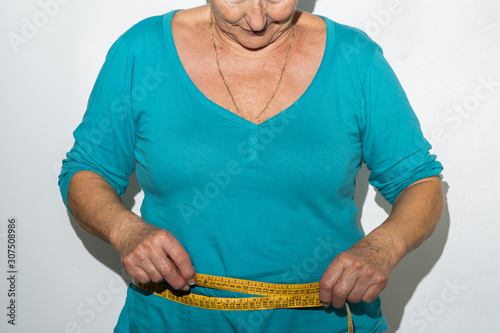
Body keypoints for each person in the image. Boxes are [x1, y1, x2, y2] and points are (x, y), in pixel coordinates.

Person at [59, 1, 444, 332]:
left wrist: (383, 247)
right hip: (171, 321)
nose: (257, 20)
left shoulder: (354, 58)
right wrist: (124, 230)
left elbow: (418, 182)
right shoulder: (141, 52)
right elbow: (86, 170)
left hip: (327, 322)